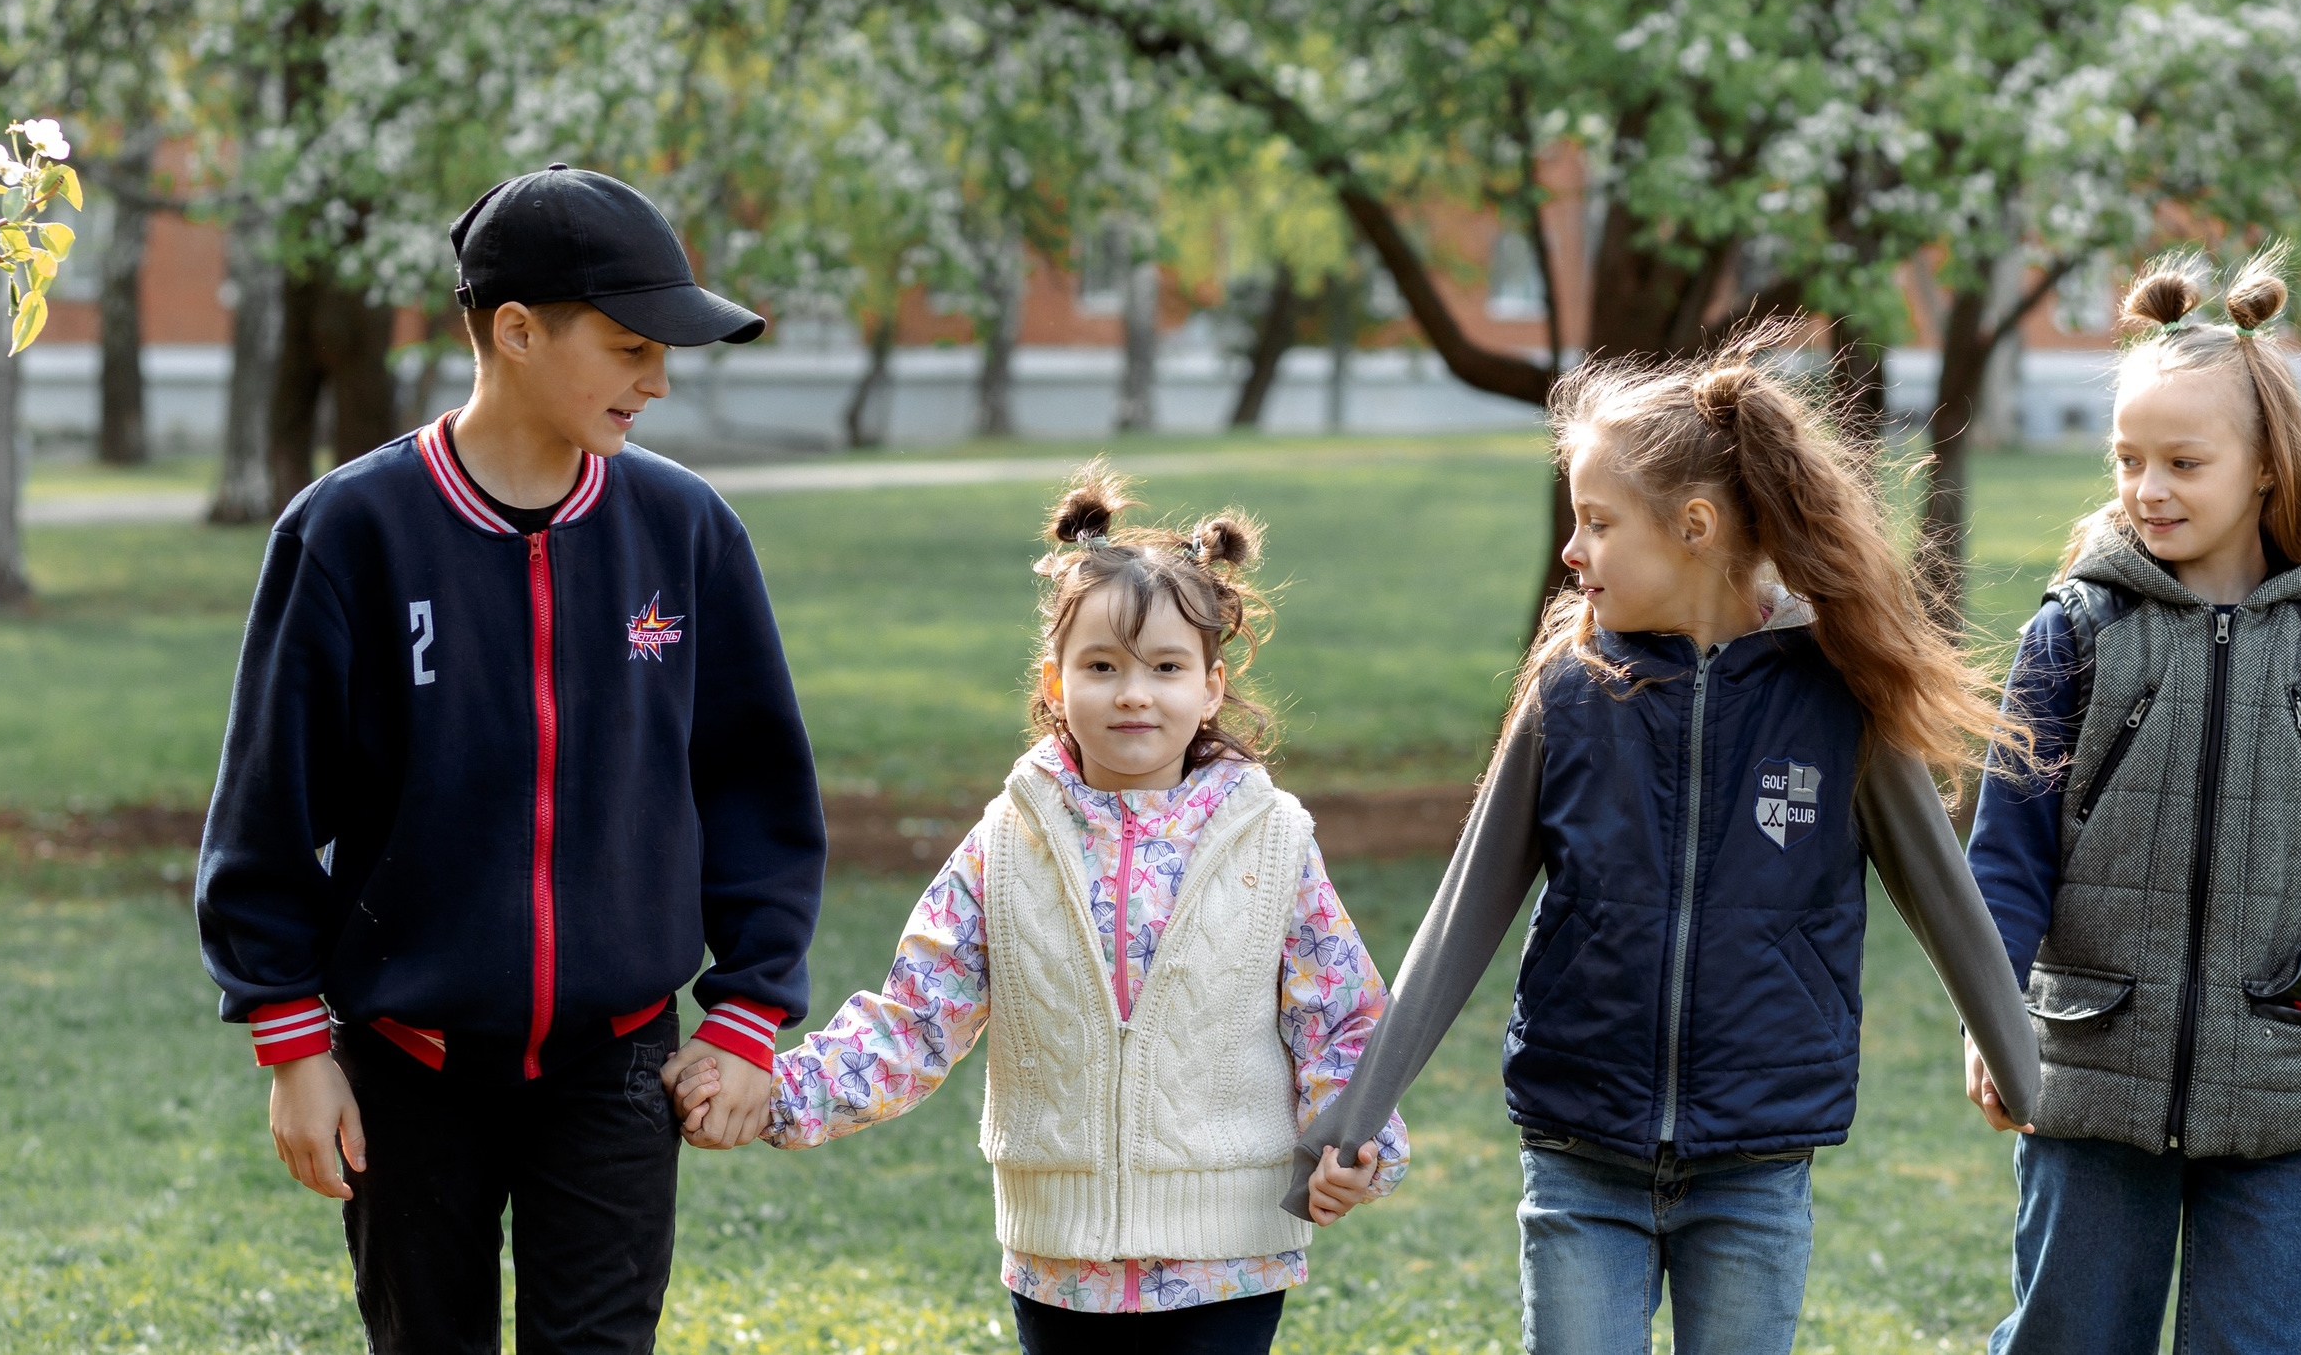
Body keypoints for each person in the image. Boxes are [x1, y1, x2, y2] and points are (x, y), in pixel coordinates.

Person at [1282, 342, 2043, 1355]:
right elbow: (1458, 918)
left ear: (1694, 528)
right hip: (1579, 1152)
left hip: (1756, 1159)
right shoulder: (1569, 692)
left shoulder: (1835, 695)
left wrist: (2029, 1084)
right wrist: (1355, 1116)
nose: (1571, 549)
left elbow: (1946, 903)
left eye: (1597, 522)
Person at [195, 165, 827, 1355]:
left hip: (618, 1061)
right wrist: (291, 1045)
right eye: (633, 343)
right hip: (407, 1068)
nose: (660, 376)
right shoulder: (349, 532)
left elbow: (754, 787)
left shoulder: (685, 529)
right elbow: (267, 808)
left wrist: (746, 1011)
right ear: (518, 331)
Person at [668, 468, 1406, 1355]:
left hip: (1231, 1255)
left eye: (1167, 668)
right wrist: (777, 1093)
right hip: (1059, 1256)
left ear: (1211, 686)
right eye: (1103, 667)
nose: (1134, 692)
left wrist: (1352, 1144)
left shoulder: (1274, 844)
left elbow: (1343, 1020)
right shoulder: (1005, 845)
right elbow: (915, 1019)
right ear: (1055, 683)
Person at [1963, 249, 2301, 1355]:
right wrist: (1989, 1020)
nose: (2148, 488)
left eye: (2183, 460)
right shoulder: (2075, 630)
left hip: (2282, 1087)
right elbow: (2006, 856)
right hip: (2089, 1079)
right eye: (2129, 459)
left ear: (2265, 466)